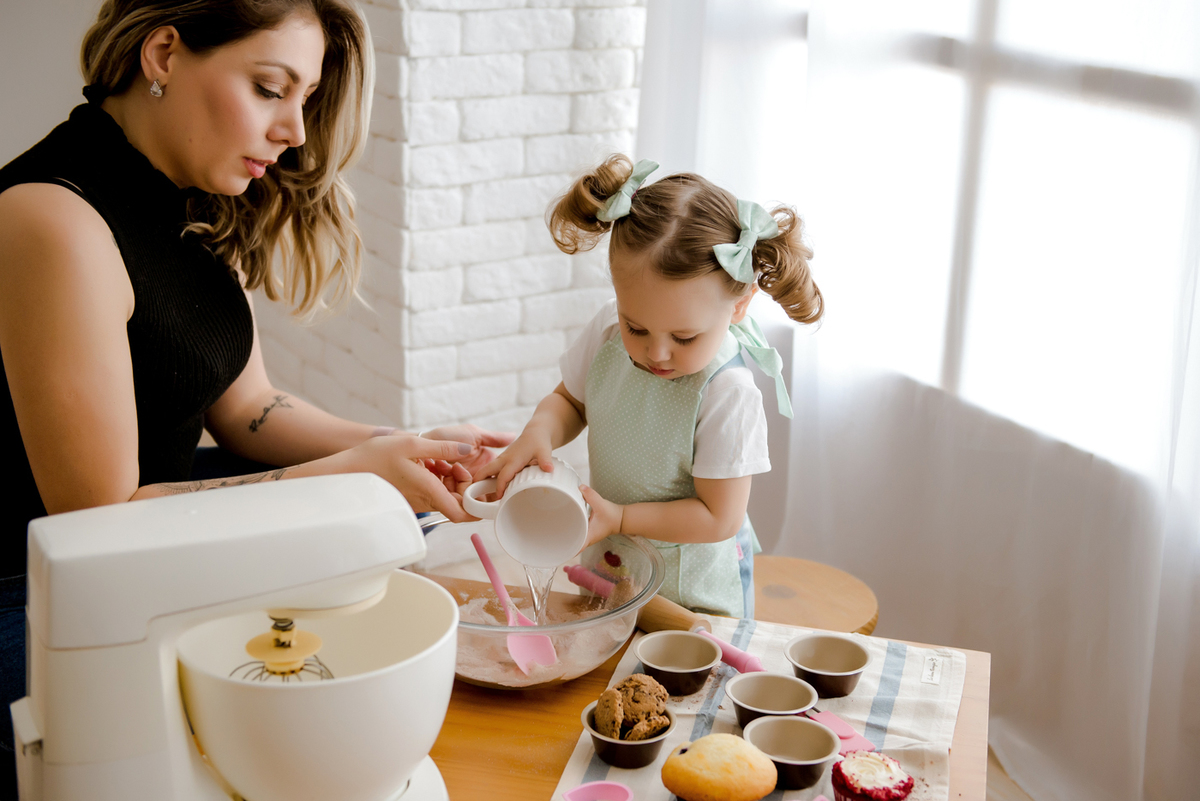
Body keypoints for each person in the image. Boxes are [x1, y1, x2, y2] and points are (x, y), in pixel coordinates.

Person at [0, 0, 511, 789]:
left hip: (146, 544)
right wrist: (355, 472)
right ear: (164, 54)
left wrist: (400, 444)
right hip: (38, 602)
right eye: (271, 88)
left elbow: (248, 409)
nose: (297, 131)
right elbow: (98, 520)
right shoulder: (52, 219)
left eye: (304, 98)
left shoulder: (187, 198)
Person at [478, 155, 823, 620]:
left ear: (739, 307)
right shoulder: (607, 332)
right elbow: (568, 400)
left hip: (693, 600)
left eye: (684, 338)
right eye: (636, 327)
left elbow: (718, 517)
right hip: (613, 570)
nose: (656, 353)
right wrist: (539, 432)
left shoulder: (727, 393)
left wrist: (621, 519)